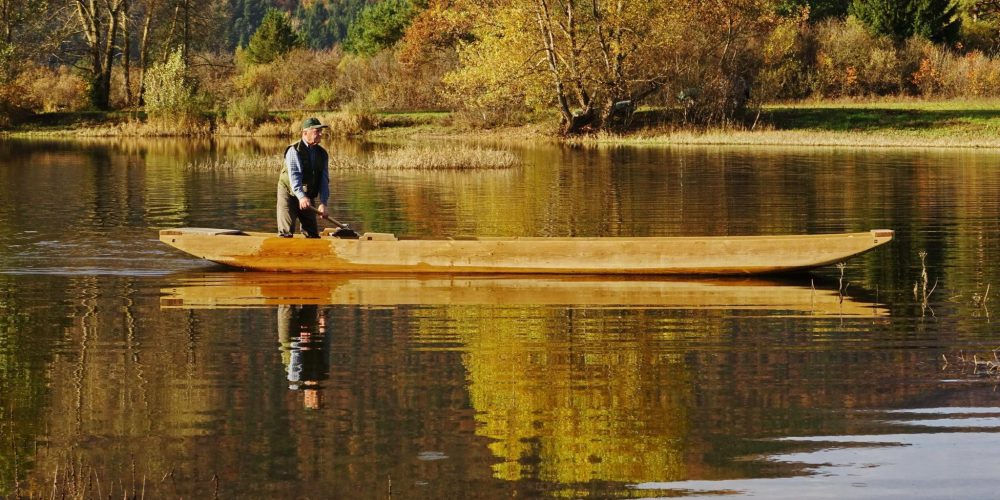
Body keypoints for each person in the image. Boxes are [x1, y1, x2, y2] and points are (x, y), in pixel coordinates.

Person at [277, 117, 330, 238]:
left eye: (321, 131)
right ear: (305, 133)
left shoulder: (322, 154)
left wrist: (323, 203)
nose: (320, 134)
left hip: (307, 194)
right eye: (317, 131)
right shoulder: (294, 150)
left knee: (312, 233)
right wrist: (301, 197)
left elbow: (324, 179)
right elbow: (295, 176)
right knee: (286, 232)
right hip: (288, 193)